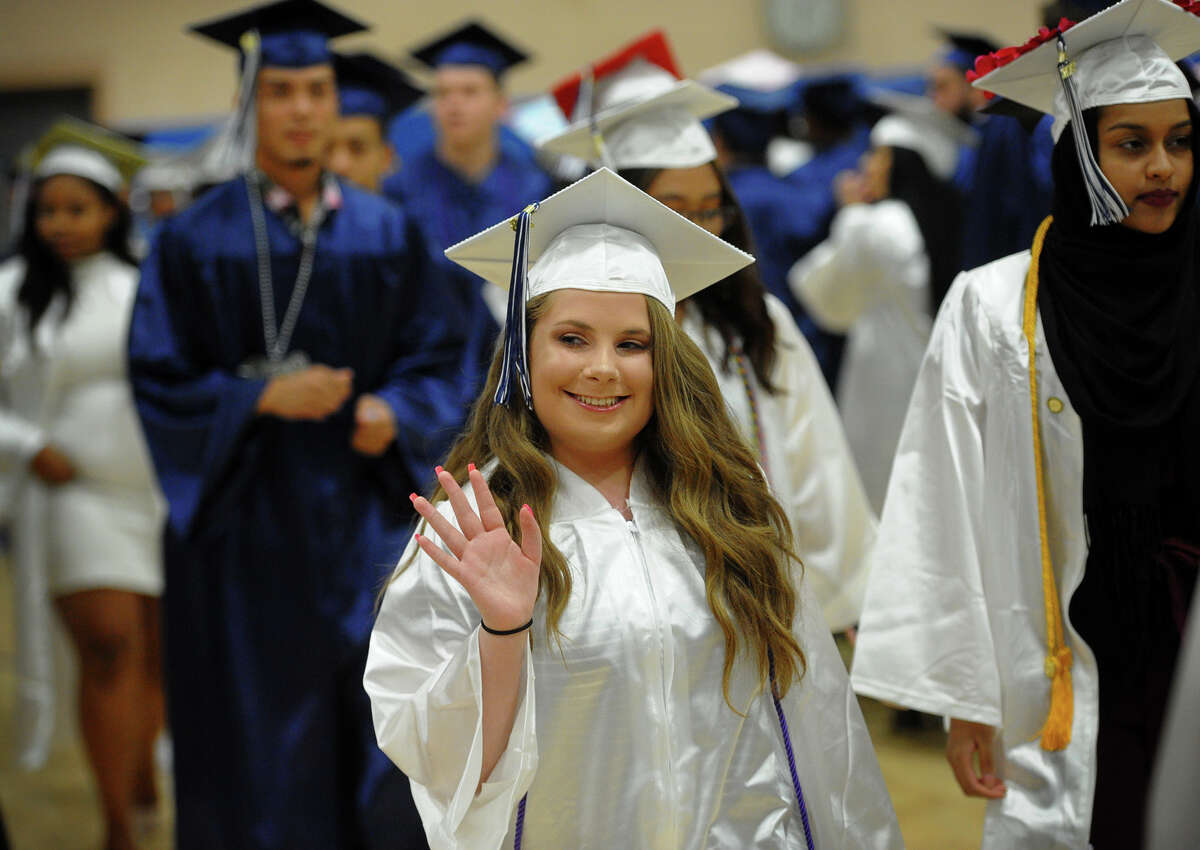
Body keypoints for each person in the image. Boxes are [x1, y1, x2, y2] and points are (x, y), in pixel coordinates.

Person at [364, 167, 902, 849]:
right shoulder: (477, 526)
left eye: (632, 344)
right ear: (523, 354)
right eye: (572, 338)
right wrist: (501, 634)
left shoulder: (728, 504)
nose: (603, 369)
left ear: (664, 359)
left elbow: (818, 723)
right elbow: (446, 767)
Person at [850, 3, 1200, 846]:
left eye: (1181, 142)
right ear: (1078, 156)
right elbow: (942, 497)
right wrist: (965, 695)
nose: (1163, 168)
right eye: (1130, 144)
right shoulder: (997, 304)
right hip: (1068, 651)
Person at [128, 1, 465, 846]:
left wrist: (399, 410)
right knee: (254, 740)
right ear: (251, 104)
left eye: (316, 89)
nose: (304, 108)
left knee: (377, 728)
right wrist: (255, 398)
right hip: (244, 537)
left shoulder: (391, 234)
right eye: (281, 91)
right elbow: (157, 374)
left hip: (366, 524)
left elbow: (449, 356)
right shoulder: (194, 242)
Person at [539, 32, 878, 631]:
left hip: (750, 599)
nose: (699, 229)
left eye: (711, 207)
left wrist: (844, 587)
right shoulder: (565, 328)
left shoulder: (751, 321)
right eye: (675, 206)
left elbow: (813, 460)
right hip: (616, 611)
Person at [0, 127, 163, 850]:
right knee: (107, 644)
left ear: (112, 211)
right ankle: (116, 823)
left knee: (151, 651)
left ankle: (139, 772)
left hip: (152, 497)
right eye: (47, 211)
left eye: (76, 209)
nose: (59, 224)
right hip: (69, 496)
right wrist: (27, 445)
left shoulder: (145, 287)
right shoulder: (11, 294)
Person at [788, 95, 968, 512]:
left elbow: (826, 300)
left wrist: (849, 213)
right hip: (931, 363)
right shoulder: (944, 220)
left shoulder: (877, 226)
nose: (867, 165)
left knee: (882, 490)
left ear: (901, 163)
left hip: (882, 373)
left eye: (878, 155)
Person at [383, 21, 555, 404]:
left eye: (470, 92)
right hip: (426, 376)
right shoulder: (399, 191)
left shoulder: (537, 189)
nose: (454, 104)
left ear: (500, 104)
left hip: (518, 370)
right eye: (442, 93)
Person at [327, 51, 423, 193]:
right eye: (325, 149)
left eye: (357, 149)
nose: (339, 165)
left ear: (386, 158)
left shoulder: (408, 215)